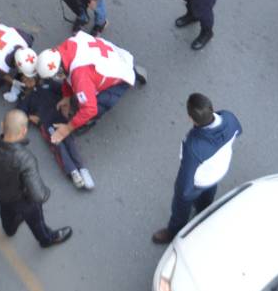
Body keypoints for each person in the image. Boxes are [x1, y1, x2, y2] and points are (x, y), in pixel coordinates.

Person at [0, 110, 72, 248]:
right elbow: (39, 196)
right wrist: (46, 191)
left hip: (1, 194)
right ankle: (46, 240)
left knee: (6, 216)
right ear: (24, 131)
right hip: (23, 200)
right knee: (36, 222)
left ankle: (10, 230)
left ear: (2, 125)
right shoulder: (25, 158)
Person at [152, 93, 242, 244]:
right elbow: (238, 131)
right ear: (211, 108)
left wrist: (183, 195)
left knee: (180, 208)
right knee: (207, 199)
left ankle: (174, 232)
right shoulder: (229, 118)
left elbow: (185, 181)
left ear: (191, 118)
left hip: (199, 181)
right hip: (217, 172)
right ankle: (203, 216)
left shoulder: (193, 146)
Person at [40, 31, 148, 146]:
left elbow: (90, 109)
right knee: (83, 92)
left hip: (117, 76)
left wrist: (67, 128)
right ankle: (132, 70)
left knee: (98, 104)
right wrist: (66, 97)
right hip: (111, 58)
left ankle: (89, 122)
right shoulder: (64, 50)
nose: (57, 78)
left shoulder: (80, 77)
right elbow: (68, 74)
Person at [19, 74, 94, 190]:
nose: (29, 80)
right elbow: (19, 114)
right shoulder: (26, 98)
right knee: (58, 145)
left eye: (29, 77)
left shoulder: (48, 83)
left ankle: (83, 169)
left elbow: (64, 91)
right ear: (23, 84)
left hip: (60, 118)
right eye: (25, 80)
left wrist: (66, 102)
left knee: (70, 142)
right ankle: (73, 172)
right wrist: (30, 118)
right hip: (46, 123)